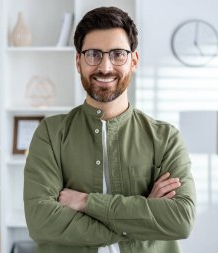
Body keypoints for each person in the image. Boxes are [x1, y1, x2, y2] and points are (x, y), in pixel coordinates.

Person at [24, 6, 196, 253]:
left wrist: (85, 202)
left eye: (117, 54)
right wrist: (143, 216)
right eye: (93, 54)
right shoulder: (51, 133)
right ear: (78, 61)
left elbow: (181, 220)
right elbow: (41, 222)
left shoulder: (166, 138)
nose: (105, 67)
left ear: (133, 61)